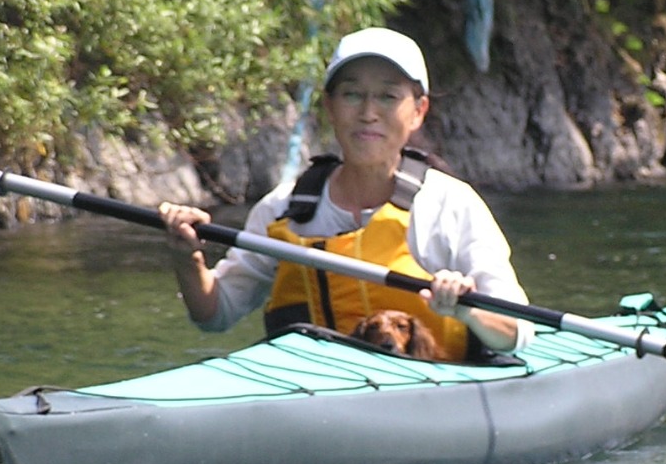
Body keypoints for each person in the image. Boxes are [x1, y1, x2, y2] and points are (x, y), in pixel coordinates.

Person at [158, 27, 532, 360]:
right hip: (316, 392)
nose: (368, 112)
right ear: (330, 108)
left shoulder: (452, 205)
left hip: (431, 393)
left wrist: (465, 309)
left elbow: (517, 333)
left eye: (388, 97)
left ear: (418, 112)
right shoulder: (282, 210)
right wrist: (186, 258)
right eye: (352, 95)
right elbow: (215, 314)